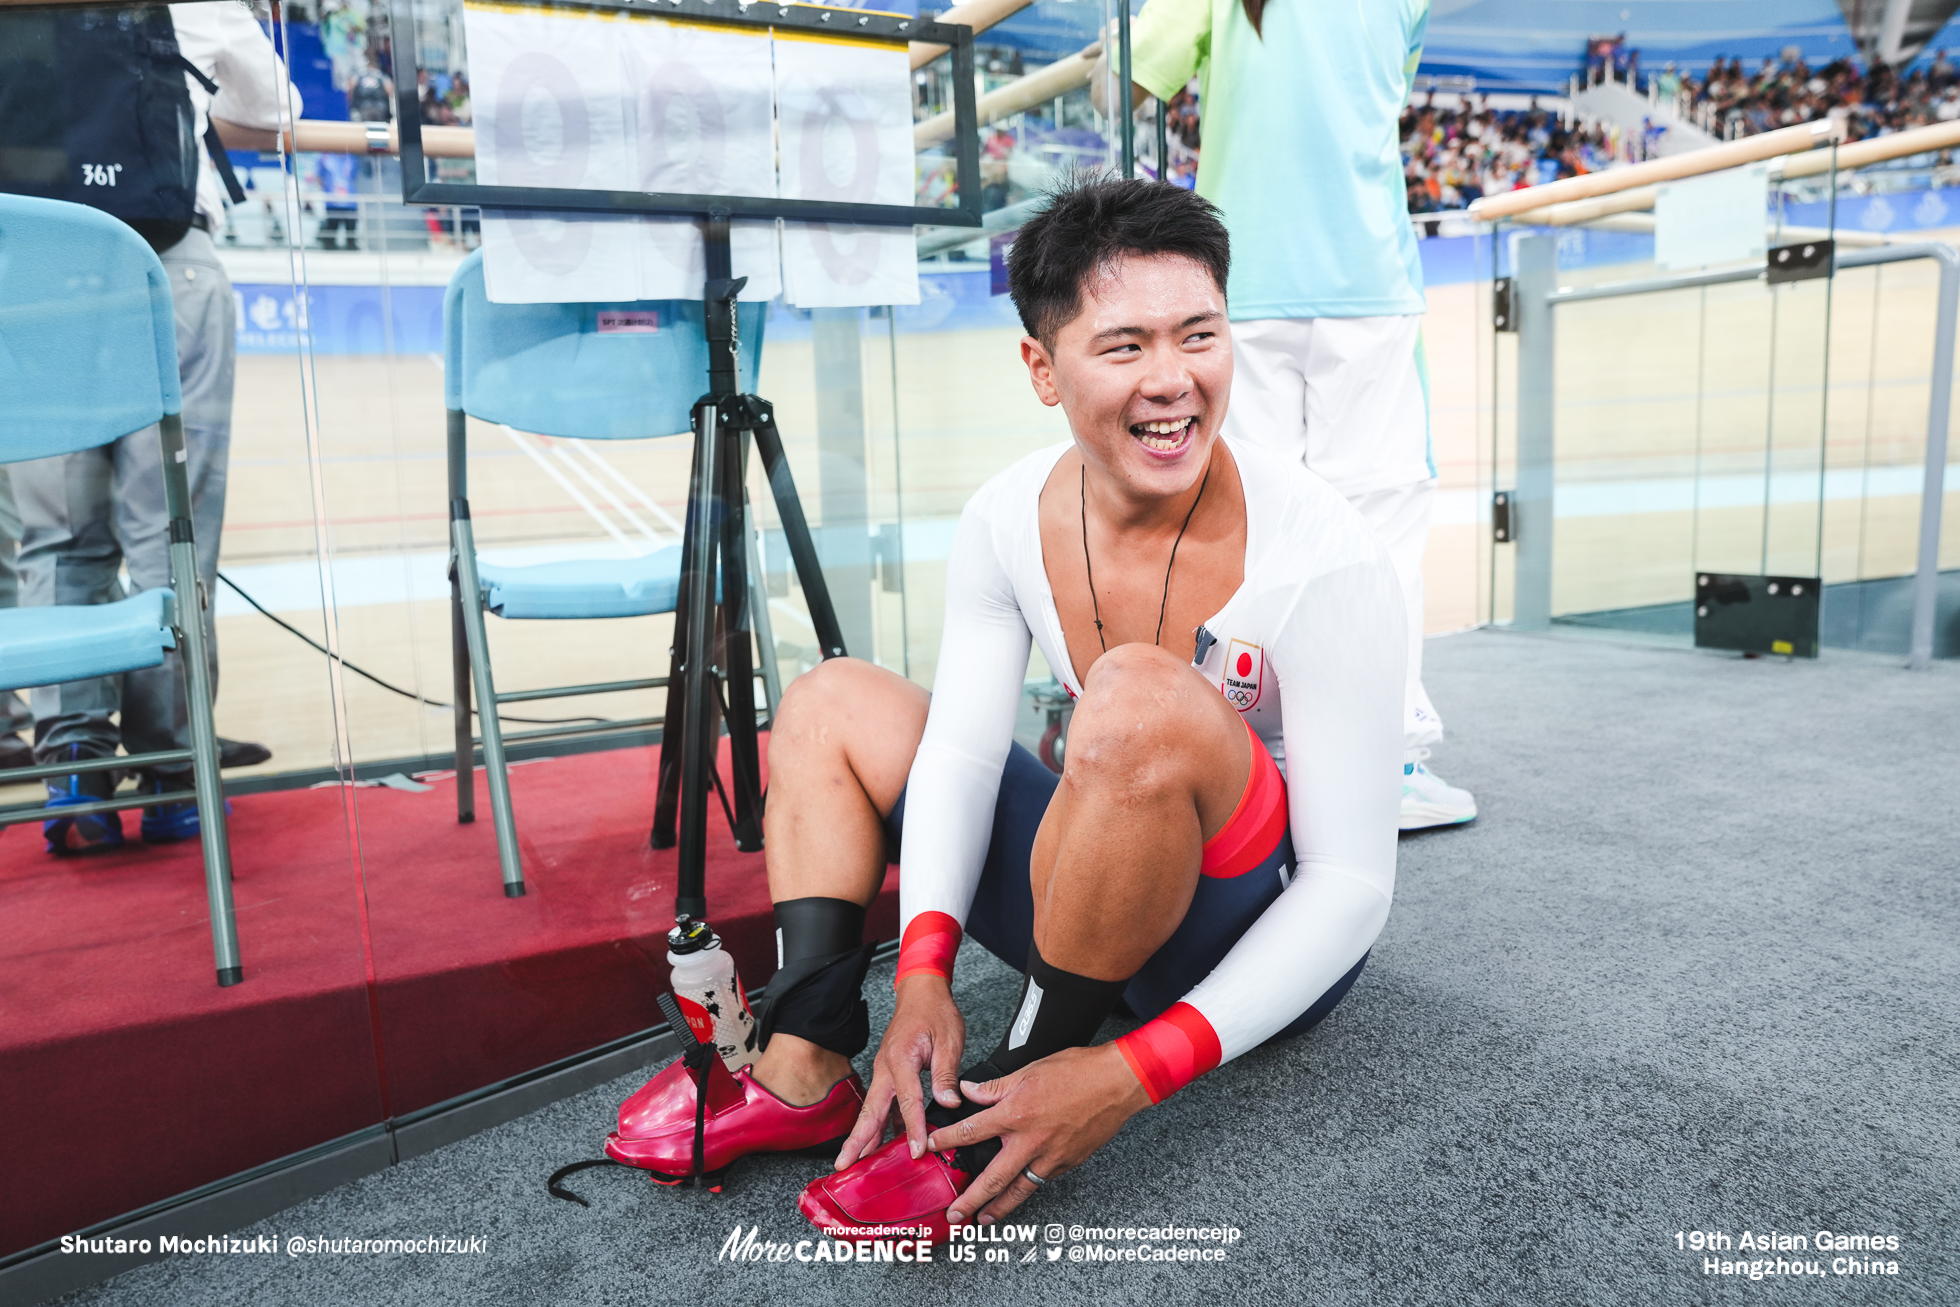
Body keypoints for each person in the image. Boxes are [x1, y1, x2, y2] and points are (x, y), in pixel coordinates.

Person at [603, 178, 1403, 1237]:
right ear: (1041, 367)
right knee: (832, 699)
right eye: (1124, 347)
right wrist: (926, 966)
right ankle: (803, 1064)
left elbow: (1349, 885)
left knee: (1133, 692)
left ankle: (1020, 1093)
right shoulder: (1003, 514)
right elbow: (962, 756)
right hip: (1105, 885)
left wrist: (1130, 1070)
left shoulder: (1323, 547)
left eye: (1199, 334)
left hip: (1255, 935)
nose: (1174, 380)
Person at [1097, 0, 1477, 830]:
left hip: (1245, 282)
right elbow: (1382, 92)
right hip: (1365, 281)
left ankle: (1250, 760)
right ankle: (1389, 762)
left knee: (1250, 527)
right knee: (1380, 527)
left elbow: (1119, 85)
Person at [15, 1, 292, 852]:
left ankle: (74, 765)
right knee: (173, 532)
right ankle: (176, 766)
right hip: (169, 263)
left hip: (32, 266)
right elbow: (278, 112)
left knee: (57, 533)